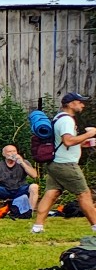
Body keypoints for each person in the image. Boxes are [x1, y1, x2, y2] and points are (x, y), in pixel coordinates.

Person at [33, 90, 96, 236]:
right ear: (71, 104)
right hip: (66, 164)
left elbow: (64, 143)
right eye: (80, 102)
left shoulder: (59, 118)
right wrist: (89, 134)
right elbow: (68, 141)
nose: (83, 105)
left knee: (51, 194)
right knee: (84, 194)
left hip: (56, 162)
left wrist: (85, 143)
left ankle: (37, 227)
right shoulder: (67, 120)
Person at [0, 144, 39, 220]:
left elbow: (34, 175)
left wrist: (22, 163)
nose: (12, 153)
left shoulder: (24, 162)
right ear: (3, 154)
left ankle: (29, 213)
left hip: (20, 189)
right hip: (5, 190)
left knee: (34, 187)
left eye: (14, 151)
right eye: (9, 151)